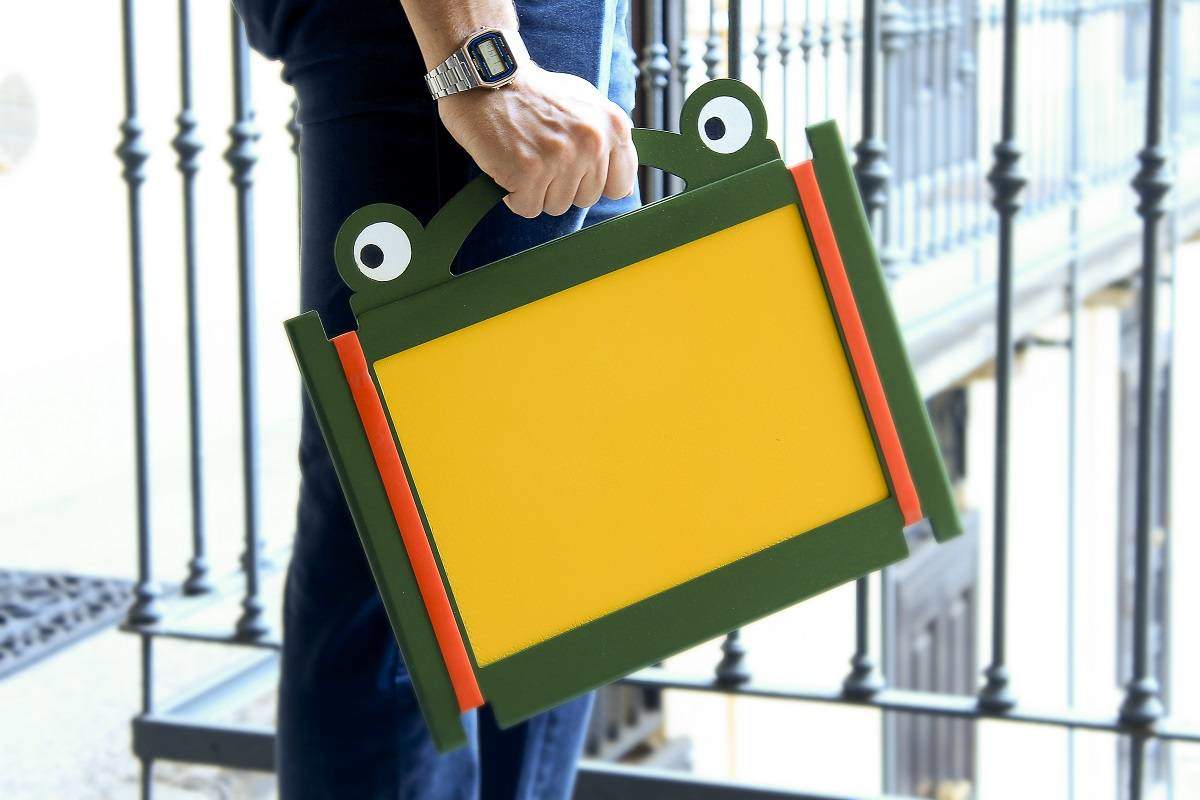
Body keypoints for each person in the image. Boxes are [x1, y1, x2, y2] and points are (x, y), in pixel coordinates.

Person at [232, 0, 640, 797]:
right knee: (398, 551)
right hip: (475, 42)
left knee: (548, 530)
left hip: (534, 41)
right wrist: (482, 64)